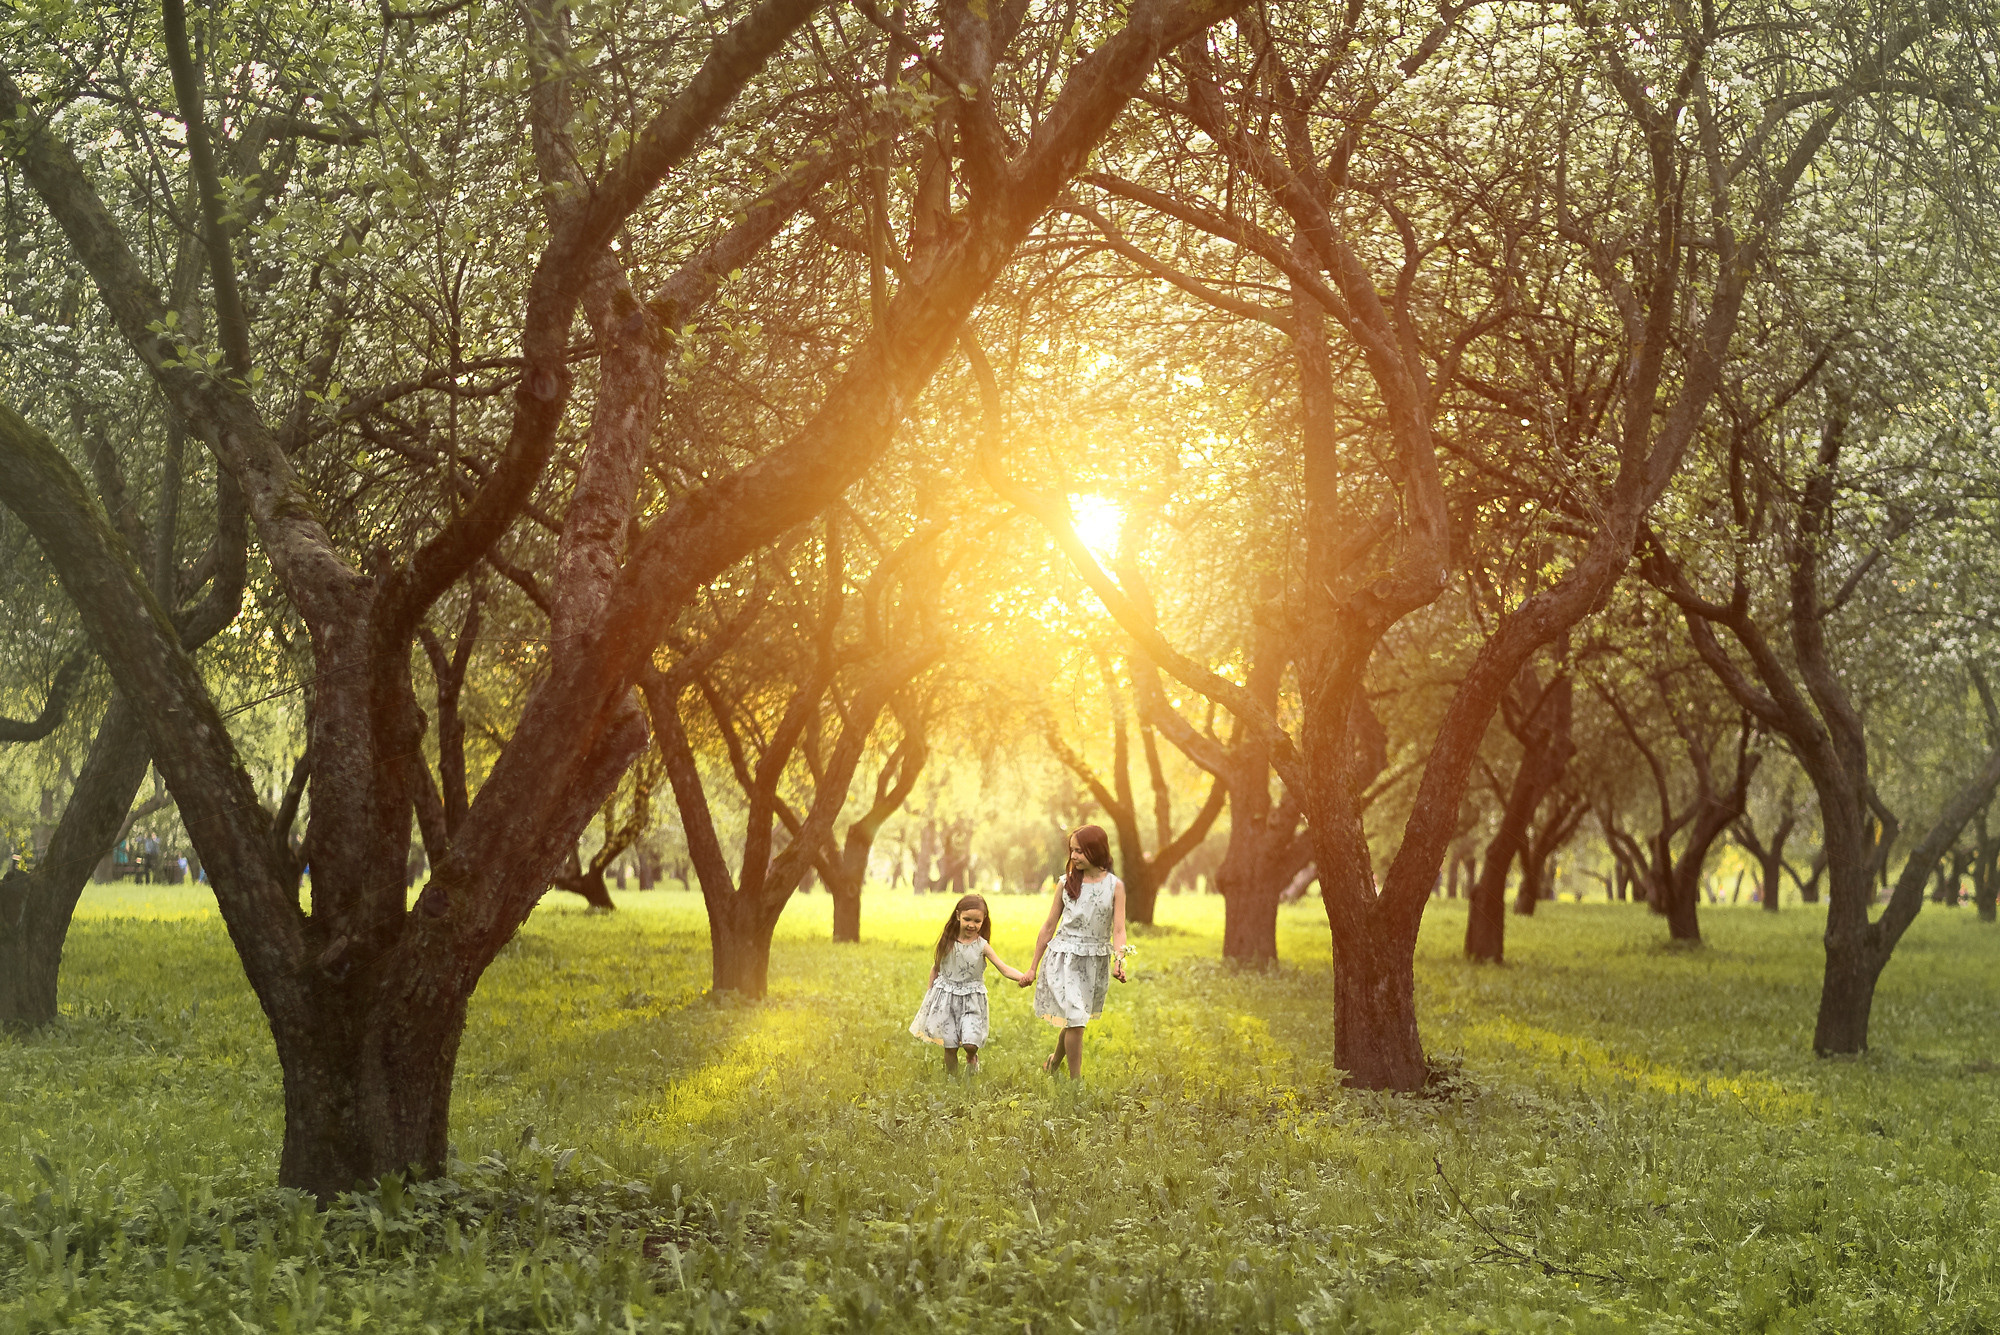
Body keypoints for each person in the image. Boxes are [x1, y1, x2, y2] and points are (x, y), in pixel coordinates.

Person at [1025, 824, 1129, 1079]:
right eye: (1072, 850)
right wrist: (1033, 967)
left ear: (1097, 850)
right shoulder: (1066, 883)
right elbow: (1049, 926)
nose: (1074, 856)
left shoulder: (1115, 886)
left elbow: (1118, 930)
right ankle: (1075, 1082)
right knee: (1076, 1019)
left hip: (1094, 961)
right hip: (1066, 959)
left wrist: (1120, 959)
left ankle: (1053, 1062)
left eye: (1080, 851)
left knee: (1076, 1019)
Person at [909, 893, 1029, 1074]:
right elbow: (936, 968)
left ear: (983, 920)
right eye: (967, 919)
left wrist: (1023, 977)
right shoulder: (947, 942)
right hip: (946, 999)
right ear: (958, 916)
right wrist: (930, 993)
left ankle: (972, 1057)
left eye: (977, 921)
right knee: (950, 1045)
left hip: (971, 999)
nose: (971, 925)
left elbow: (1003, 968)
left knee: (970, 1043)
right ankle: (953, 1079)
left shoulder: (982, 946)